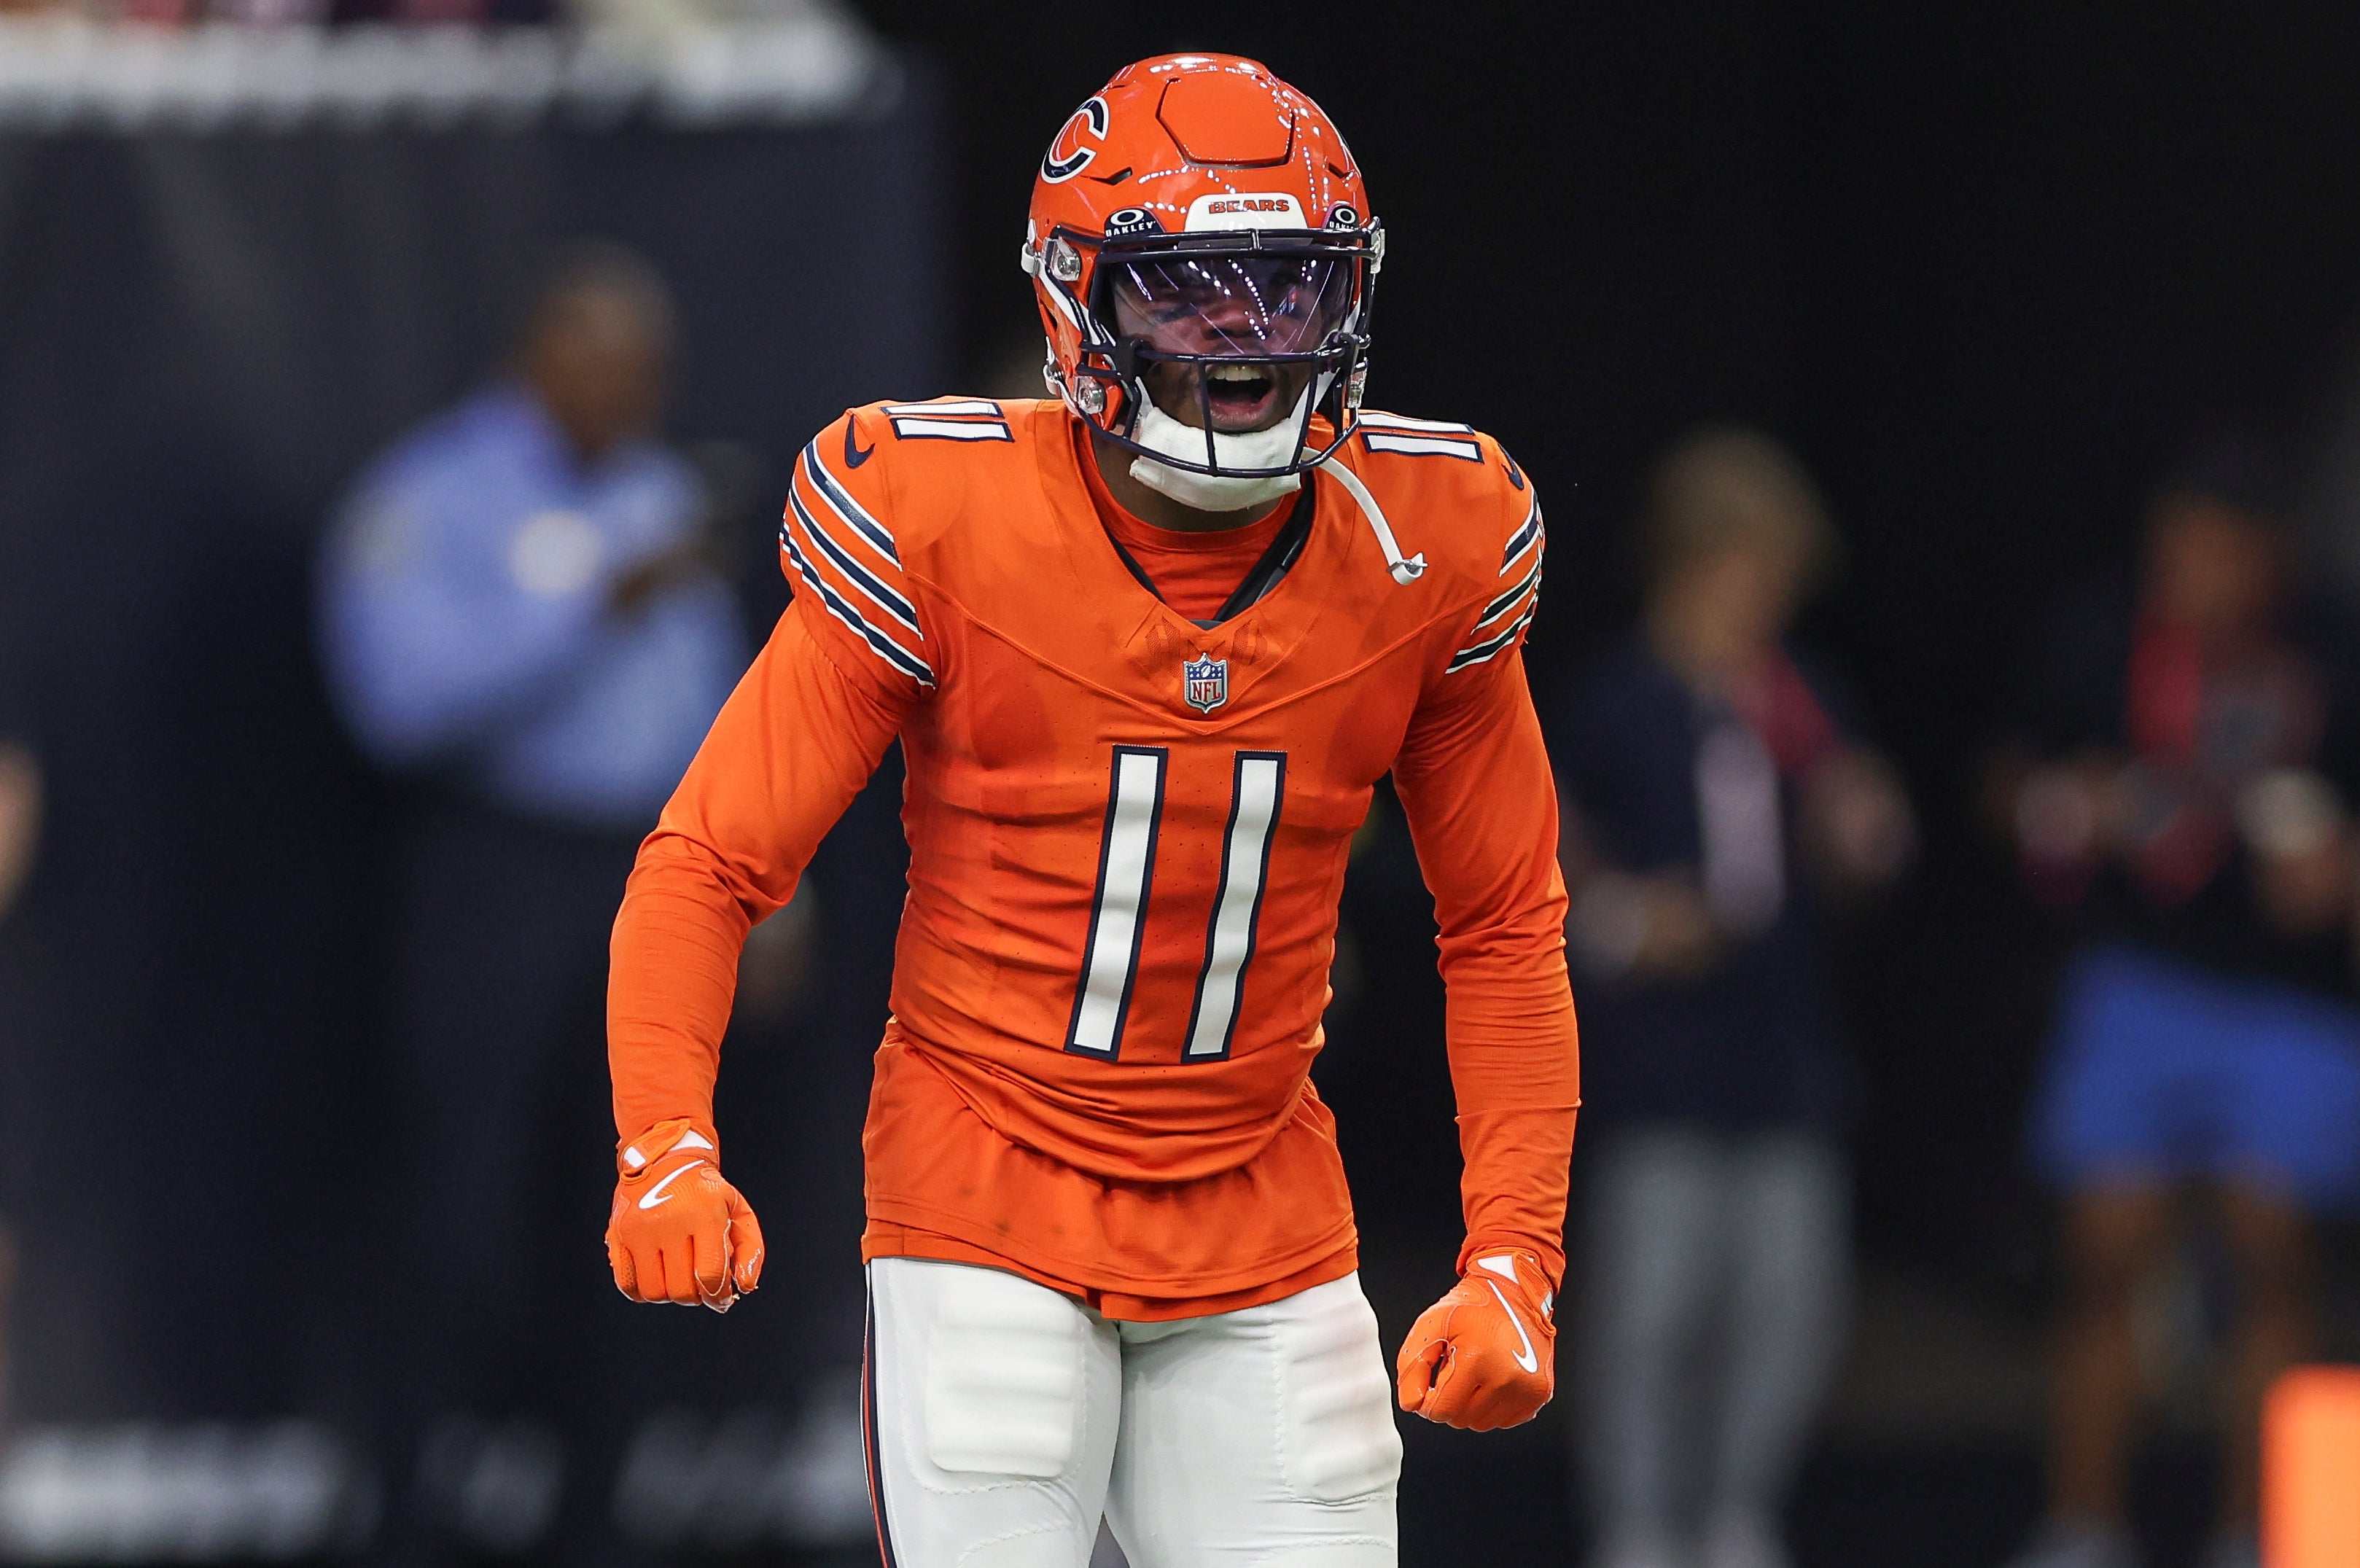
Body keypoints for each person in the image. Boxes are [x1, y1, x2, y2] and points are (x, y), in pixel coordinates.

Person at [601, 54, 1580, 1567]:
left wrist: (1513, 1249)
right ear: (1078, 299)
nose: (1248, 347)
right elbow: (708, 861)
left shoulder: (1425, 540)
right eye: (1190, 292)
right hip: (982, 1190)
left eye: (1290, 289)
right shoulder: (943, 517)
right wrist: (664, 1140)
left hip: (1260, 1212)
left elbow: (1504, 924)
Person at [316, 243, 745, 1557]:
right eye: (609, 363)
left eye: (652, 369)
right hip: (491, 864)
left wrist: (756, 893)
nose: (636, 393)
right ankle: (405, 1497)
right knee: (456, 1183)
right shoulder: (434, 496)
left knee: (635, 1182)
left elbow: (723, 714)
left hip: (648, 875)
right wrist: (591, 612)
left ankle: (597, 1504)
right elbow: (398, 702)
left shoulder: (663, 495)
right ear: (543, 354)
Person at [1998, 438, 2360, 1568]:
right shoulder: (2102, 635)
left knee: (2272, 1255)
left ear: (2264, 558)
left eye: (2210, 550)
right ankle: (2081, 1528)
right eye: (2172, 546)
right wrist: (2066, 806)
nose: (2185, 571)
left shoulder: (2334, 646)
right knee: (2104, 1250)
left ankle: (2272, 1536)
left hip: (2288, 1002)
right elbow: (2009, 775)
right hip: (2136, 978)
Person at [1553, 430, 1912, 1568]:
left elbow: (1864, 858)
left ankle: (1735, 1513)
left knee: (1785, 1305)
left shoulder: (1801, 701)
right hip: (1658, 1060)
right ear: (1693, 561)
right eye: (1750, 570)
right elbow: (1536, 861)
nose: (1767, 598)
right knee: (1651, 1311)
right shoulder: (1614, 700)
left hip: (1783, 1056)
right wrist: (1627, 921)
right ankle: (1639, 1525)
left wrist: (1863, 830)